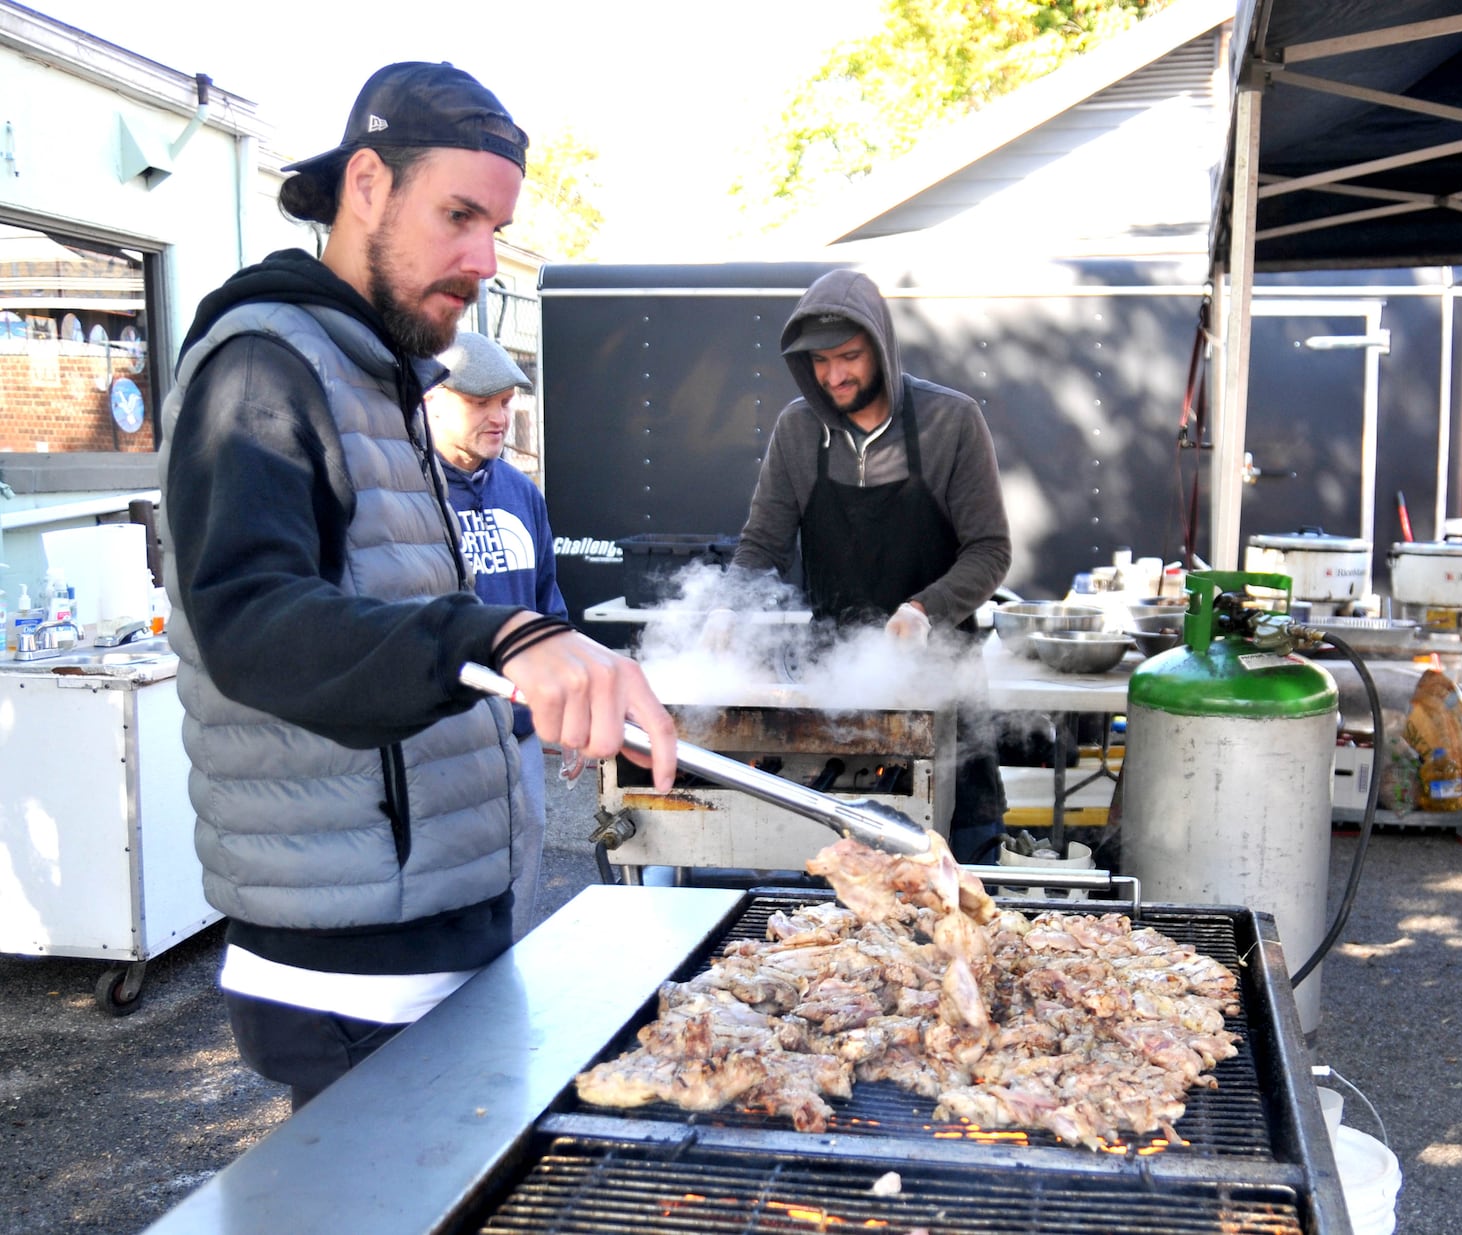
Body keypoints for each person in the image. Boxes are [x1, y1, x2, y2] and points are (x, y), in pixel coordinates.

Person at [155, 61, 675, 1111]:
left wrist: (548, 678)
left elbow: (396, 613)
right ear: (365, 185)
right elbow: (248, 622)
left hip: (443, 921)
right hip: (352, 960)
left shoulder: (379, 373)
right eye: (458, 215)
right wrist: (502, 637)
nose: (484, 258)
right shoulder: (261, 367)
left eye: (497, 226)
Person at [719, 268, 1012, 863]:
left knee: (956, 873)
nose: (834, 376)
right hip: (838, 689)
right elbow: (761, 545)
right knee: (836, 876)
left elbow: (990, 549)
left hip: (941, 686)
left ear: (881, 346)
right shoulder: (798, 431)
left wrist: (924, 609)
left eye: (849, 357)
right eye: (820, 362)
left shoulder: (949, 422)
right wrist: (729, 607)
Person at [425, 330, 566, 941]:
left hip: (519, 733)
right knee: (446, 883)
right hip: (441, 739)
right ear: (431, 398)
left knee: (524, 858)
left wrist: (566, 704)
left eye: (506, 402)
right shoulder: (409, 493)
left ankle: (506, 989)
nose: (499, 417)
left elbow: (546, 610)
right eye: (480, 402)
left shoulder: (521, 491)